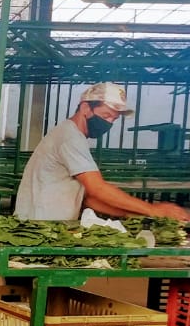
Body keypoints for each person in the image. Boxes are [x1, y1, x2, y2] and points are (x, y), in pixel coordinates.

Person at [15, 82, 190, 223]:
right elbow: (97, 188)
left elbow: (88, 198)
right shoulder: (70, 138)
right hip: (39, 226)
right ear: (85, 108)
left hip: (47, 223)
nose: (109, 123)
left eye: (114, 119)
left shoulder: (72, 135)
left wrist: (135, 214)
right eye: (106, 115)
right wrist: (153, 210)